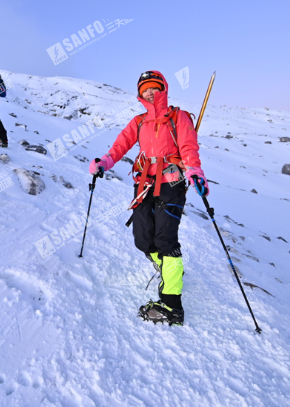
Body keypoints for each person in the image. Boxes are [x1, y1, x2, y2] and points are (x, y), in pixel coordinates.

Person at [88, 70, 209, 326]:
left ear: (163, 89)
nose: (150, 93)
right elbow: (121, 145)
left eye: (154, 88)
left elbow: (189, 147)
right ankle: (168, 268)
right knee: (143, 239)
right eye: (145, 90)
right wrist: (105, 162)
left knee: (166, 240)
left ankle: (172, 305)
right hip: (144, 183)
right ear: (140, 94)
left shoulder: (179, 117)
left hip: (172, 183)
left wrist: (195, 171)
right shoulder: (139, 121)